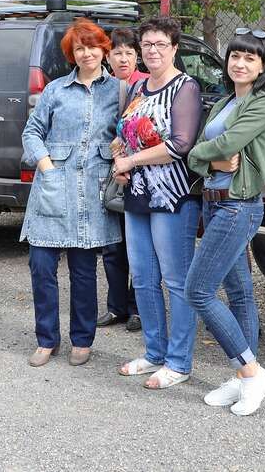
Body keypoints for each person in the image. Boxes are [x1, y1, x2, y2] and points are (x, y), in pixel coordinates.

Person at [185, 29, 265, 416]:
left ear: (263, 66)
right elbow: (206, 151)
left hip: (238, 205)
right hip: (213, 203)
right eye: (235, 56)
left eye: (250, 58)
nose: (240, 63)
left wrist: (200, 155)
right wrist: (206, 159)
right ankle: (245, 379)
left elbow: (225, 145)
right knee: (239, 294)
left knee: (198, 291)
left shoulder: (264, 103)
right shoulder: (226, 101)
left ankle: (252, 372)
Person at [21, 19, 122, 367]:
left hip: (92, 191)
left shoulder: (119, 91)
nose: (86, 53)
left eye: (92, 46)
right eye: (79, 48)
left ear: (103, 49)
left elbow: (127, 133)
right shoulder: (55, 90)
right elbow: (32, 132)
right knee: (41, 266)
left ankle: (82, 338)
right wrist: (47, 167)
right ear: (71, 54)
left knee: (83, 270)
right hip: (53, 186)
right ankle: (46, 339)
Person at [113, 16, 203, 389]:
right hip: (138, 193)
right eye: (147, 44)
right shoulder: (138, 88)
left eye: (160, 44)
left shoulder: (185, 87)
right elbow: (125, 134)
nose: (152, 51)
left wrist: (132, 160)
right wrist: (120, 158)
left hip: (173, 196)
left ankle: (179, 362)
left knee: (176, 280)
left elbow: (180, 144)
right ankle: (154, 352)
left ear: (174, 48)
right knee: (144, 277)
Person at [96, 27, 148, 332]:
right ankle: (116, 306)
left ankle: (138, 307)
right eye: (117, 52)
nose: (123, 58)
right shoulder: (103, 86)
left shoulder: (145, 85)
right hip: (109, 174)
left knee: (139, 246)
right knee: (112, 245)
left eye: (129, 52)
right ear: (108, 56)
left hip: (140, 173)